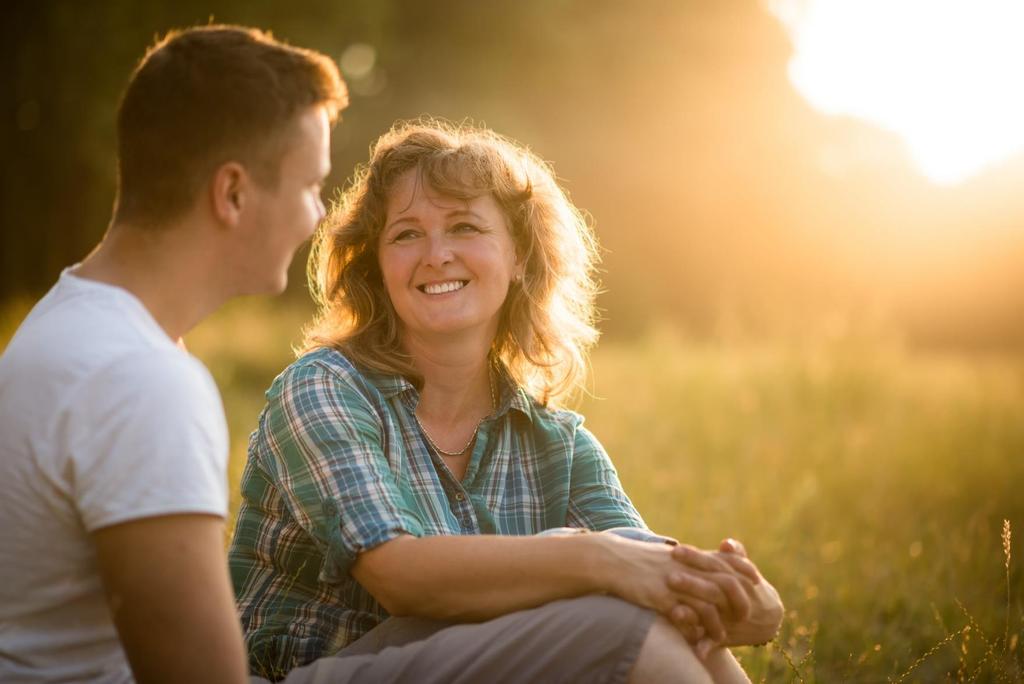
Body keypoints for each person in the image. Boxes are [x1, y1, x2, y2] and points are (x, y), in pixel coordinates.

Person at [229, 120, 783, 683]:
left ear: (520, 256)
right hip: (305, 675)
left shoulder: (559, 445)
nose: (436, 254)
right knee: (618, 621)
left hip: (467, 666)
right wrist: (592, 558)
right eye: (405, 235)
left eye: (464, 226)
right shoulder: (325, 387)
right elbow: (401, 577)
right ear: (378, 266)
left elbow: (653, 581)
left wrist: (748, 600)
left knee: (635, 606)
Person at [0, 25, 346, 683]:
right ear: (233, 193)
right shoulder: (143, 381)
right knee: (592, 634)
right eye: (310, 186)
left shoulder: (68, 318)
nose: (317, 216)